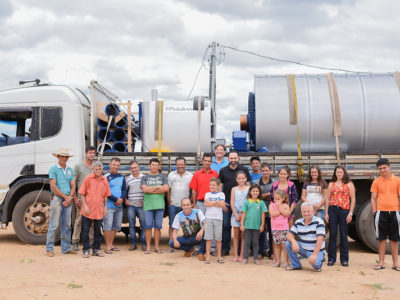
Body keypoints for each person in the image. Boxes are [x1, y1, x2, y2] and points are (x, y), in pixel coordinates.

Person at [370, 158, 400, 271]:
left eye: (384, 167)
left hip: (394, 212)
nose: (382, 170)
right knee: (381, 238)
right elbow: (373, 199)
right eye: (380, 169)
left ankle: (395, 264)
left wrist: (398, 211)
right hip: (380, 212)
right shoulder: (376, 181)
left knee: (394, 238)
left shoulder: (397, 180)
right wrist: (374, 212)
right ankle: (381, 263)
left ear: (389, 166)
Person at [46, 148, 76, 257]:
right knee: (54, 224)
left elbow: (73, 185)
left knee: (67, 224)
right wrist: (65, 197)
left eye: (66, 156)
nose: (64, 158)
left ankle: (66, 248)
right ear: (58, 157)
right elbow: (53, 186)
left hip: (68, 198)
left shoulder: (70, 170)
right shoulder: (53, 169)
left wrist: (69, 197)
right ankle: (49, 248)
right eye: (62, 156)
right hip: (58, 198)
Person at [219, 150, 251, 256]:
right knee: (226, 225)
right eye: (231, 158)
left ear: (238, 158)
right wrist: (222, 201)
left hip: (243, 203)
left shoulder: (244, 169)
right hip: (228, 202)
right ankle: (225, 248)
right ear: (228, 159)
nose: (233, 160)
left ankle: (242, 250)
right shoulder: (223, 170)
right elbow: (220, 187)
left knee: (244, 227)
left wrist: (249, 203)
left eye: (235, 158)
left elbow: (249, 185)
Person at [189, 153, 219, 260]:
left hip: (213, 203)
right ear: (202, 161)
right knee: (200, 225)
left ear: (211, 162)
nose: (207, 162)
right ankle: (198, 248)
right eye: (205, 160)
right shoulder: (197, 174)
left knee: (213, 224)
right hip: (200, 202)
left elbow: (218, 188)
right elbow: (194, 190)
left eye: (209, 161)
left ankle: (212, 248)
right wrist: (194, 203)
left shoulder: (215, 173)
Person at [78, 161, 110, 258]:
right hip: (88, 210)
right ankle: (86, 250)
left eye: (100, 169)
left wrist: (105, 208)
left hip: (99, 210)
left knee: (98, 231)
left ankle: (96, 249)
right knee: (85, 231)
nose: (98, 171)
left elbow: (105, 196)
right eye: (96, 169)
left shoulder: (104, 180)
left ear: (102, 169)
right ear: (93, 169)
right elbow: (82, 194)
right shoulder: (88, 179)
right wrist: (85, 206)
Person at [325, 165, 355, 267]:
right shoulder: (331, 184)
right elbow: (327, 199)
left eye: (341, 172)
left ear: (344, 173)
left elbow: (353, 199)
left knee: (343, 235)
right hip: (333, 210)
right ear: (335, 173)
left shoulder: (349, 184)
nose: (339, 174)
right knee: (333, 234)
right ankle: (331, 259)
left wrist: (350, 213)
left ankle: (344, 259)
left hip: (344, 211)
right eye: (337, 172)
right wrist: (326, 213)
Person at [285, 202, 326, 271]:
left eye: (308, 211)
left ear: (313, 212)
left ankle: (320, 259)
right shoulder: (298, 222)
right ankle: (296, 265)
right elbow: (288, 235)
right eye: (304, 212)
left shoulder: (319, 221)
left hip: (315, 251)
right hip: (303, 249)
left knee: (316, 265)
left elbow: (320, 239)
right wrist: (293, 241)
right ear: (301, 212)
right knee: (288, 243)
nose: (306, 213)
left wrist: (314, 255)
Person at [141, 158, 169, 254]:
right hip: (148, 206)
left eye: (156, 165)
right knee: (148, 227)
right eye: (153, 165)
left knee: (158, 227)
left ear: (159, 166)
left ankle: (157, 247)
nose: (154, 167)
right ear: (149, 166)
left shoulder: (163, 176)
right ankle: (148, 247)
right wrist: (158, 187)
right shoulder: (144, 178)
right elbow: (145, 190)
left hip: (159, 206)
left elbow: (165, 188)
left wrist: (151, 189)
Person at [72, 146, 96, 251]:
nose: (92, 155)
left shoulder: (96, 167)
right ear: (86, 154)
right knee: (79, 221)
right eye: (90, 153)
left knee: (92, 222)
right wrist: (75, 198)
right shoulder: (78, 166)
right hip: (81, 198)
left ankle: (91, 242)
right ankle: (75, 241)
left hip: (93, 199)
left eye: (93, 153)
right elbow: (73, 184)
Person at [167, 157, 193, 252]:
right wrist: (169, 202)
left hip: (186, 206)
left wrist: (191, 203)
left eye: (182, 164)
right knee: (172, 225)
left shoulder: (190, 175)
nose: (180, 166)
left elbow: (192, 190)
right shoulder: (171, 175)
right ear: (176, 165)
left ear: (185, 164)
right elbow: (168, 190)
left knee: (187, 225)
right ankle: (171, 245)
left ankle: (188, 245)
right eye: (178, 164)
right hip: (174, 204)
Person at [103, 157, 127, 254]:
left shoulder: (121, 177)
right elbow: (105, 191)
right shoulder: (105, 177)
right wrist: (116, 199)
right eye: (114, 165)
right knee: (107, 226)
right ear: (110, 165)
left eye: (117, 165)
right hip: (109, 205)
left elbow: (124, 189)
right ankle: (107, 246)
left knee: (115, 226)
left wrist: (121, 198)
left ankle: (111, 244)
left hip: (119, 206)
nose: (115, 167)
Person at [240, 184, 267, 264]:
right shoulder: (247, 202)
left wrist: (262, 225)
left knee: (255, 243)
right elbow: (243, 214)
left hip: (256, 227)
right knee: (247, 243)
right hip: (247, 226)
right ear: (250, 192)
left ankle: (256, 258)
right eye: (253, 191)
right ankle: (245, 258)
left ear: (259, 192)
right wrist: (242, 224)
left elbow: (263, 214)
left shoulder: (261, 202)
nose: (255, 192)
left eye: (257, 191)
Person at [204, 178, 227, 264]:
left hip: (218, 218)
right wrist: (216, 202)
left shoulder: (221, 194)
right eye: (210, 185)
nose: (211, 187)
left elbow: (222, 205)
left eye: (213, 185)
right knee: (208, 238)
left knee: (218, 238)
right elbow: (206, 204)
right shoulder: (207, 194)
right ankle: (208, 257)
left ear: (217, 186)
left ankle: (219, 256)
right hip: (209, 218)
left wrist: (212, 203)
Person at [125, 161, 146, 251]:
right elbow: (124, 191)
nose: (134, 169)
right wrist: (125, 200)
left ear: (139, 167)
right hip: (131, 205)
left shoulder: (144, 177)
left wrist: (145, 200)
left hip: (142, 204)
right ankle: (133, 244)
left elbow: (147, 191)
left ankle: (144, 243)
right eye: (132, 168)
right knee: (132, 225)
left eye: (135, 167)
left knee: (144, 225)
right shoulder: (127, 179)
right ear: (130, 169)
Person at [230, 171, 249, 262]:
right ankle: (236, 255)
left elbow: (249, 203)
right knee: (236, 235)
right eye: (239, 178)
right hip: (235, 215)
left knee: (243, 236)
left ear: (246, 179)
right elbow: (232, 202)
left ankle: (242, 254)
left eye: (243, 178)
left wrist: (243, 215)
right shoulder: (234, 189)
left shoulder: (248, 189)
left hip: (245, 215)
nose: (241, 180)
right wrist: (236, 214)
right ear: (236, 179)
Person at [258, 163, 275, 259]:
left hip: (272, 211)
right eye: (263, 170)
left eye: (267, 170)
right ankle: (261, 251)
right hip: (260, 212)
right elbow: (255, 196)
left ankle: (271, 252)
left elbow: (276, 195)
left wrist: (264, 196)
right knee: (261, 232)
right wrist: (266, 195)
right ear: (260, 171)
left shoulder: (275, 183)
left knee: (272, 233)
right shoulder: (256, 182)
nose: (265, 172)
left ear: (270, 171)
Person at [269, 189, 290, 268]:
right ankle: (278, 261)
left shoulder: (286, 205)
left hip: (284, 228)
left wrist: (279, 207)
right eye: (275, 198)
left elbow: (286, 214)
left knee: (284, 245)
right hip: (275, 228)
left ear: (283, 199)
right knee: (277, 245)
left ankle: (286, 262)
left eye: (279, 199)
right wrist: (280, 211)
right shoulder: (271, 205)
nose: (276, 200)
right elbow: (272, 214)